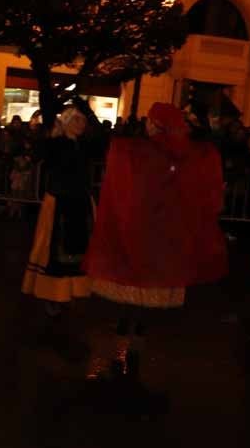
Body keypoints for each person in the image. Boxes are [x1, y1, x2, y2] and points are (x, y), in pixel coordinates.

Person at [85, 103, 227, 381]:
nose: (147, 125)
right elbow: (205, 159)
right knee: (148, 289)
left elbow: (118, 153)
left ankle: (123, 345)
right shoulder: (184, 153)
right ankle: (135, 345)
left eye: (150, 121)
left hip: (140, 227)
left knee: (131, 284)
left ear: (157, 124)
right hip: (164, 233)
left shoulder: (141, 151)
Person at [21, 103, 97, 314]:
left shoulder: (85, 145)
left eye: (83, 120)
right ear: (66, 122)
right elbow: (37, 154)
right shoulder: (55, 144)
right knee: (55, 251)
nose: (81, 124)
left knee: (77, 250)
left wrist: (88, 110)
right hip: (59, 202)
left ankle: (72, 290)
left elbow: (101, 140)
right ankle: (53, 295)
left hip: (80, 202)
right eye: (76, 119)